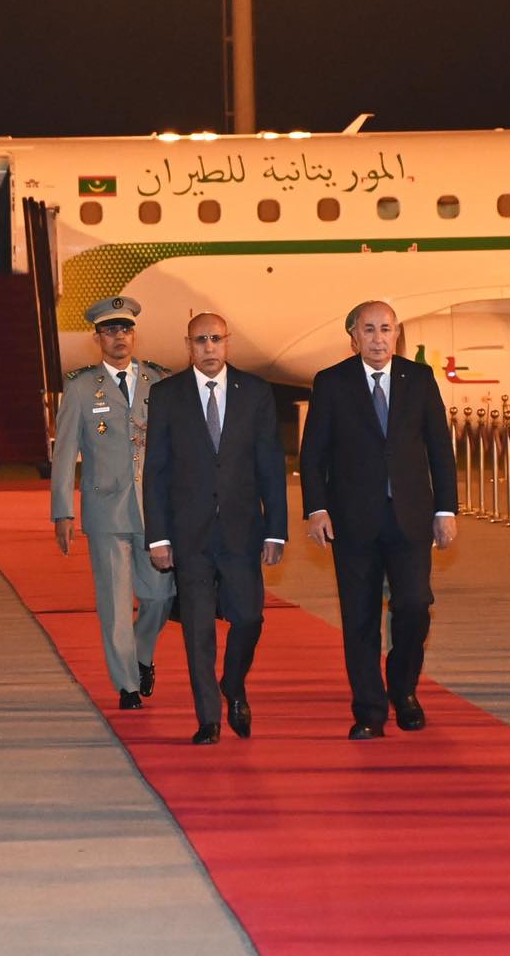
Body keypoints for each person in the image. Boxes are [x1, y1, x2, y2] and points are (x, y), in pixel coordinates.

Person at [300, 301, 458, 741]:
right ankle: (369, 708)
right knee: (360, 618)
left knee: (414, 604)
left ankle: (403, 690)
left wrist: (446, 510)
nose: (377, 338)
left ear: (396, 333)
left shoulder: (419, 379)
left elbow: (439, 449)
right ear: (354, 337)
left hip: (412, 518)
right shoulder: (332, 382)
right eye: (368, 330)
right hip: (353, 521)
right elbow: (313, 454)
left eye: (385, 329)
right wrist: (317, 508)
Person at [143, 311, 287, 744]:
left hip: (243, 531)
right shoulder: (167, 395)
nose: (209, 347)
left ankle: (233, 683)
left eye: (215, 339)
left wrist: (276, 530)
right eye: (200, 340)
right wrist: (158, 537)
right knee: (198, 630)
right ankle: (208, 719)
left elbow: (270, 465)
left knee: (249, 618)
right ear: (188, 346)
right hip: (189, 534)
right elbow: (156, 470)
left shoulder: (256, 392)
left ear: (228, 341)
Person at [51, 296, 175, 710]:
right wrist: (62, 511)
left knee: (160, 596)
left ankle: (141, 654)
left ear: (134, 334)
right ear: (98, 338)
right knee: (116, 604)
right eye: (110, 330)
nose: (119, 337)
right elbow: (65, 453)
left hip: (155, 508)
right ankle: (127, 685)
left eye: (125, 329)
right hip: (106, 508)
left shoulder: (160, 381)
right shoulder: (81, 387)